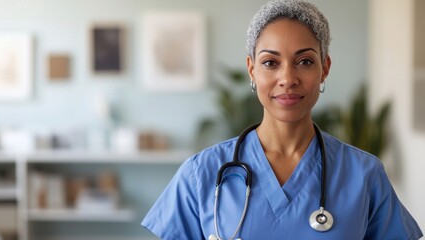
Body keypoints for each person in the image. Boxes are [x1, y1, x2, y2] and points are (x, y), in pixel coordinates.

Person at [142, 0, 423, 239]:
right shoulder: (201, 173)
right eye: (270, 62)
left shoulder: (364, 175)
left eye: (305, 61)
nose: (287, 79)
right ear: (252, 70)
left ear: (324, 69)